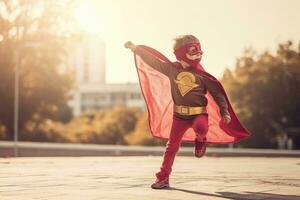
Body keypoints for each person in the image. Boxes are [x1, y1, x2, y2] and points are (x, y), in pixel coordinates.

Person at [124, 35, 250, 189]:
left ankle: (201, 140)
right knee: (171, 147)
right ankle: (163, 178)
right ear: (181, 54)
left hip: (199, 114)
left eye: (199, 51)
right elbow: (154, 62)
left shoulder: (203, 76)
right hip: (179, 116)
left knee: (201, 128)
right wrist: (136, 49)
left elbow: (218, 95)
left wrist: (225, 112)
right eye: (193, 51)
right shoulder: (172, 70)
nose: (198, 54)